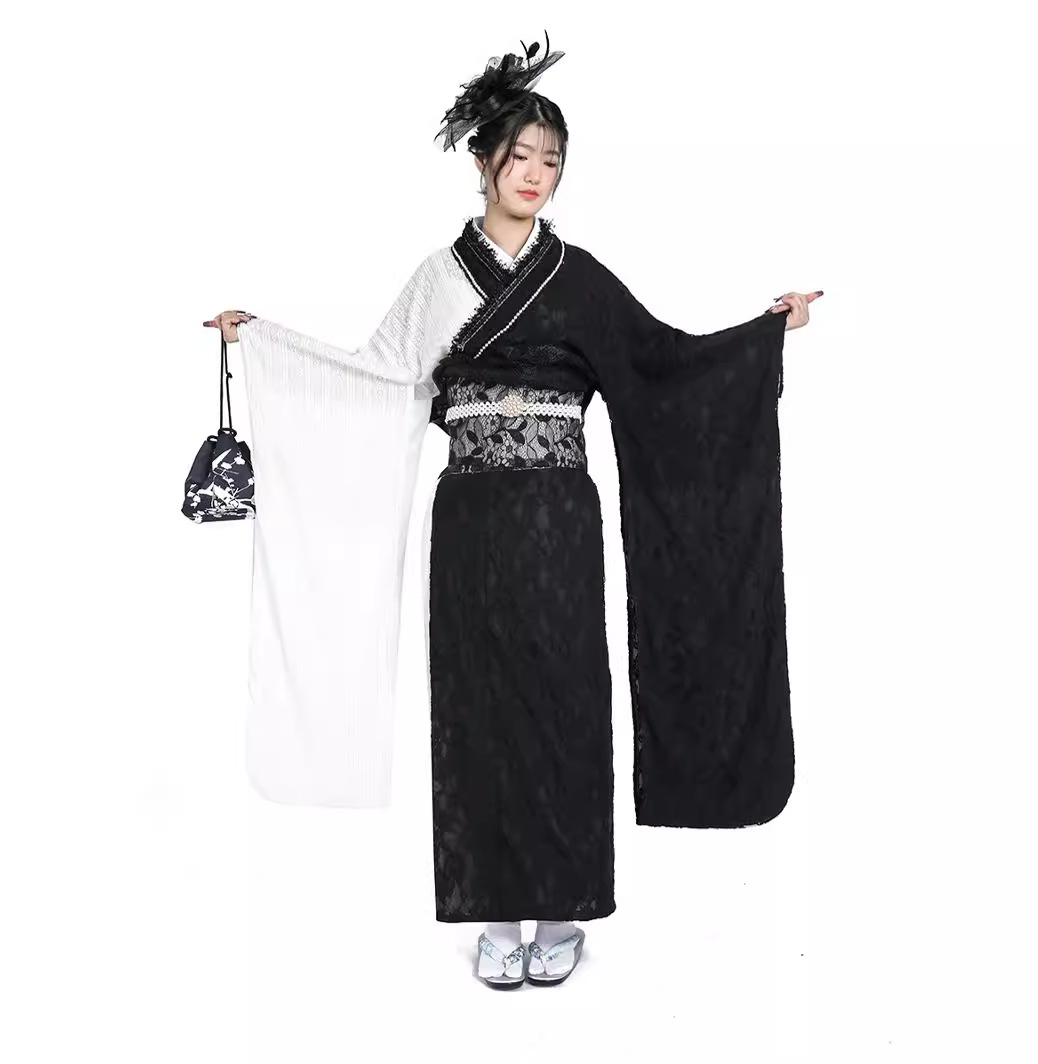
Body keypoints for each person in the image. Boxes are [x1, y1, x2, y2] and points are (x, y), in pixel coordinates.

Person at [204, 32, 821, 990]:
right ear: (483, 162)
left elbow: (665, 366)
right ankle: (495, 907)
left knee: (567, 697)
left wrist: (764, 333)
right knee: (478, 704)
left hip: (559, 519)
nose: (536, 174)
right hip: (471, 521)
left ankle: (565, 905)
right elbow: (377, 382)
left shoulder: (580, 277)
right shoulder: (437, 279)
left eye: (552, 161)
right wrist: (270, 343)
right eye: (521, 156)